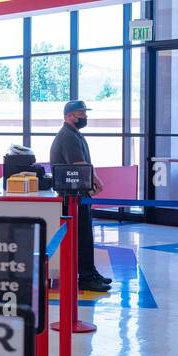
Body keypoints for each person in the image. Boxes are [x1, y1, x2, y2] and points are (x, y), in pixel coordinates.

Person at [49, 100, 111, 292]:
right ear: (69, 116)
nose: (84, 117)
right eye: (80, 114)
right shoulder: (68, 137)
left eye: (85, 113)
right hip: (72, 195)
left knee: (85, 235)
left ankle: (90, 271)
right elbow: (79, 164)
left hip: (79, 193)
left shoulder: (74, 134)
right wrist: (97, 182)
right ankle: (85, 277)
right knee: (82, 237)